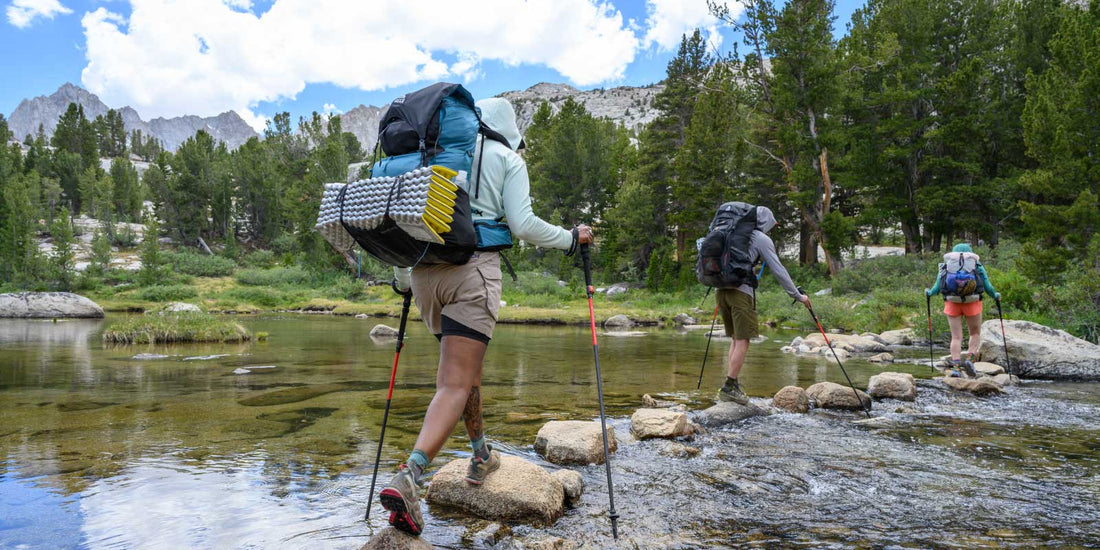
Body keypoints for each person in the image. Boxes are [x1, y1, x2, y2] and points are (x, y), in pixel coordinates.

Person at [379, 97, 593, 537]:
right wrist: (571, 239)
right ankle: (411, 475)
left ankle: (480, 453)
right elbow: (524, 224)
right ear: (507, 128)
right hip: (471, 274)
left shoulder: (432, 158)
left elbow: (405, 228)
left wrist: (404, 279)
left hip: (423, 278)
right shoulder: (505, 158)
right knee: (454, 383)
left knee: (465, 372)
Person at [716, 206, 811, 404]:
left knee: (735, 338)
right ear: (765, 222)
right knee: (744, 340)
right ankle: (729, 386)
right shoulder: (760, 238)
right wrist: (798, 296)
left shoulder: (729, 232)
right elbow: (779, 270)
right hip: (741, 293)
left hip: (721, 291)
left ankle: (731, 385)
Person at [925, 243, 1000, 377]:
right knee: (975, 333)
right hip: (973, 303)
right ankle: (970, 360)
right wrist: (995, 295)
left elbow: (937, 287)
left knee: (956, 337)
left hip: (952, 303)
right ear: (970, 253)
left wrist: (929, 293)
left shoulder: (947, 266)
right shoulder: (976, 265)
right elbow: (988, 286)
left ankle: (956, 368)